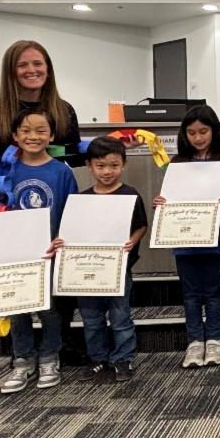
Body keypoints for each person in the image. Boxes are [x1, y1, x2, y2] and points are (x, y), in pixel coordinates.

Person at [0, 40, 84, 366]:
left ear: (48, 68)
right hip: (7, 204)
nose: (32, 70)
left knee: (55, 279)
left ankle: (57, 345)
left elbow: (71, 153)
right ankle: (21, 351)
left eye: (38, 64)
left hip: (50, 203)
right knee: (15, 277)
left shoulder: (63, 109)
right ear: (11, 71)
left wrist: (107, 147)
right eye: (23, 65)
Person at [0, 108, 78, 394]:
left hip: (48, 252)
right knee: (17, 309)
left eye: (41, 130)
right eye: (26, 131)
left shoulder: (61, 171)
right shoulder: (6, 170)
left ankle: (49, 357)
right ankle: (23, 360)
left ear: (52, 136)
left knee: (49, 310)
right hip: (16, 252)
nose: (33, 136)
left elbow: (71, 211)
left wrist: (63, 240)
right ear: (15, 135)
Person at [153, 106, 220, 369]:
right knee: (190, 293)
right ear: (184, 134)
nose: (198, 138)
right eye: (191, 133)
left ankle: (214, 340)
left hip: (213, 240)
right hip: (184, 241)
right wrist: (162, 204)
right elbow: (170, 197)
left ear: (214, 131)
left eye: (203, 131)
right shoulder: (177, 164)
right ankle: (194, 342)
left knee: (212, 291)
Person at [74, 136, 148, 384]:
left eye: (114, 165)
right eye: (100, 166)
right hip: (87, 270)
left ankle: (123, 359)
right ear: (89, 166)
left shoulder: (130, 194)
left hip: (119, 269)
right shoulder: (81, 199)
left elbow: (141, 225)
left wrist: (133, 241)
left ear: (123, 165)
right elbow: (75, 232)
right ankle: (97, 359)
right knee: (91, 318)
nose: (107, 171)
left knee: (120, 317)